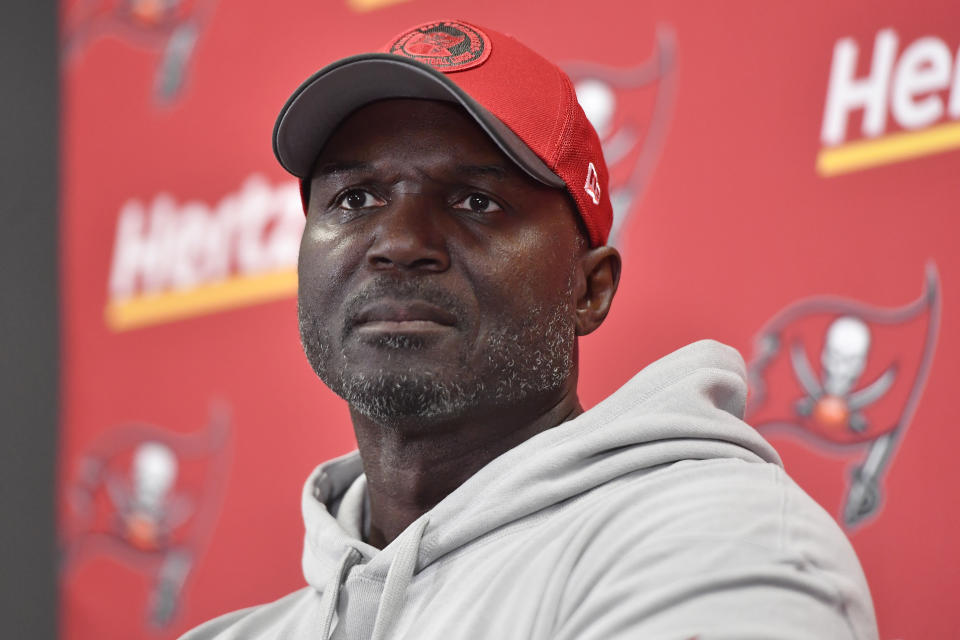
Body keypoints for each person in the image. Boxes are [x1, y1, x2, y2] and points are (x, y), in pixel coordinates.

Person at [182, 18, 878, 640]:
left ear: (590, 288)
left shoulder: (716, 544)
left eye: (476, 200)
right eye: (355, 197)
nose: (397, 241)